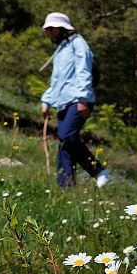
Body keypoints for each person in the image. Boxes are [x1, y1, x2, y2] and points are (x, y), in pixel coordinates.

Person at [40, 12, 109, 188]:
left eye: (51, 28)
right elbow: (56, 79)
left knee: (67, 136)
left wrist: (83, 99)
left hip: (79, 100)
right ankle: (65, 185)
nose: (48, 32)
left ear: (61, 28)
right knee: (64, 143)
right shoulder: (62, 48)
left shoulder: (78, 43)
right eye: (47, 29)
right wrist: (46, 101)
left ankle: (98, 170)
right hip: (63, 101)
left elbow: (83, 71)